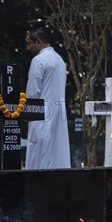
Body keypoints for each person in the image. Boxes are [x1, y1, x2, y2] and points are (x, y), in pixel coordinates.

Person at [25, 28, 70, 169]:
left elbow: (32, 94)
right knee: (57, 153)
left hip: (40, 113)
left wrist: (26, 114)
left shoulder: (38, 60)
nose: (28, 48)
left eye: (29, 43)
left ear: (38, 42)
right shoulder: (60, 60)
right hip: (58, 112)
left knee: (39, 155)